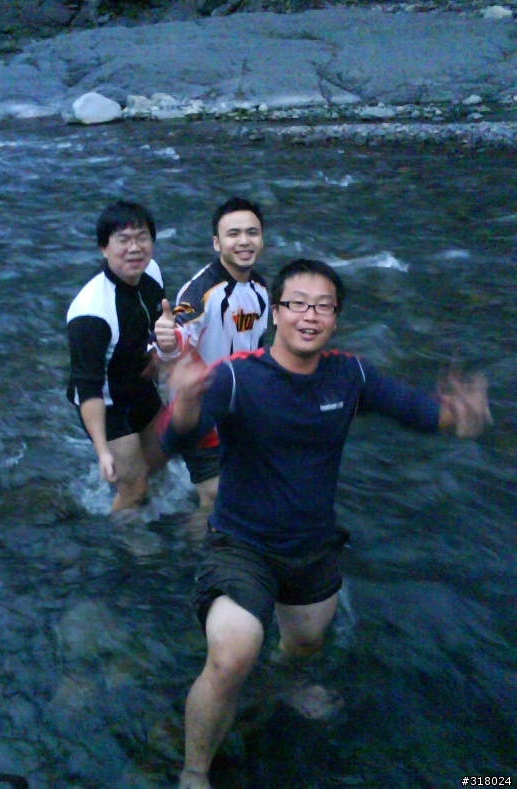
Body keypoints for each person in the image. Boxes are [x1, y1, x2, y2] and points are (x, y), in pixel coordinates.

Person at [158, 258, 492, 789]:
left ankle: (284, 683)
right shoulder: (237, 376)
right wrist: (184, 406)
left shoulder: (350, 375)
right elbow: (175, 440)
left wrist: (460, 417)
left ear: (335, 318)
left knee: (306, 644)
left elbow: (420, 412)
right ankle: (194, 772)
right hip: (241, 544)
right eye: (297, 304)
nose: (309, 315)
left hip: (311, 548)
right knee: (231, 657)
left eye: (323, 306)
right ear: (275, 313)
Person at [154, 196, 268, 511]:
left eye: (252, 233)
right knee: (215, 497)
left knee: (240, 491)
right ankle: (199, 543)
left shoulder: (261, 288)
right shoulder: (201, 291)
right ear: (217, 243)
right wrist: (167, 341)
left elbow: (259, 347)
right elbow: (177, 332)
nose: (244, 241)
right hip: (201, 408)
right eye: (233, 234)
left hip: (242, 407)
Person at [66, 200, 168, 512]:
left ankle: (129, 486)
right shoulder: (90, 312)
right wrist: (102, 452)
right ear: (103, 248)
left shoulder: (152, 273)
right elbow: (88, 389)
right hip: (107, 404)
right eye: (123, 240)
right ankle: (123, 538)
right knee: (134, 490)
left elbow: (154, 326)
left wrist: (160, 359)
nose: (134, 248)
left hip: (141, 387)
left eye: (142, 237)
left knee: (160, 464)